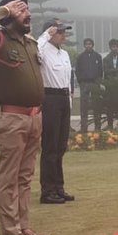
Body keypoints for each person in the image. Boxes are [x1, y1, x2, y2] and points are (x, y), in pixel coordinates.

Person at [0, 0, 52, 235]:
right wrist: (6, 10)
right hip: (10, 117)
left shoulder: (30, 44)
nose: (27, 14)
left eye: (27, 9)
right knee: (9, 177)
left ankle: (23, 226)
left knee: (25, 177)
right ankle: (10, 230)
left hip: (33, 117)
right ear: (7, 14)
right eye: (21, 10)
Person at [37, 21, 75, 204]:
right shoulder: (43, 50)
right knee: (50, 147)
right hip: (50, 97)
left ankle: (59, 187)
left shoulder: (65, 54)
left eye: (63, 31)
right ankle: (47, 190)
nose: (63, 35)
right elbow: (33, 50)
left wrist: (68, 103)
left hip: (63, 99)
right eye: (59, 32)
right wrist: (45, 35)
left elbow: (68, 81)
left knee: (60, 147)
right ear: (51, 33)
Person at [75, 38, 104, 133]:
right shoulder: (80, 57)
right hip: (84, 84)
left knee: (97, 106)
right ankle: (84, 129)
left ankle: (98, 128)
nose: (88, 45)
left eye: (90, 44)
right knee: (84, 107)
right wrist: (81, 82)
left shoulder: (97, 56)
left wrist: (99, 83)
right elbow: (77, 71)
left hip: (95, 83)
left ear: (92, 45)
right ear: (84, 45)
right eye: (86, 44)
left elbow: (100, 71)